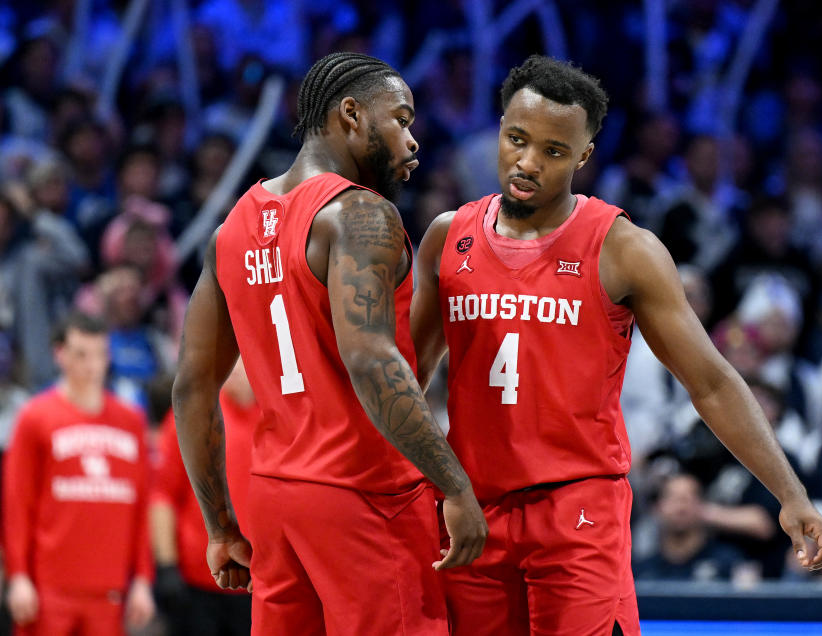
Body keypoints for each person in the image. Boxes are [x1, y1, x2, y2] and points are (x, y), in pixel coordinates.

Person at [411, 55, 822, 636]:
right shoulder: (446, 235)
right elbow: (401, 378)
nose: (528, 162)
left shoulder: (624, 248)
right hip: (471, 508)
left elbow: (709, 382)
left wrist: (790, 493)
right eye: (517, 139)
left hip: (576, 511)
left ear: (583, 157)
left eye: (554, 151)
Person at [171, 52, 486, 636]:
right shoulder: (361, 214)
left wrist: (220, 525)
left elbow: (191, 386)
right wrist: (454, 483)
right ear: (351, 114)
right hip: (363, 495)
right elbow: (370, 359)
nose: (413, 141)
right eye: (401, 119)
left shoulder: (230, 229)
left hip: (275, 500)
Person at [2, 312, 154, 636]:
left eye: (100, 354)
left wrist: (142, 578)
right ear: (60, 354)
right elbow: (17, 505)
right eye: (81, 354)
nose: (92, 365)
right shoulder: (34, 418)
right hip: (48, 590)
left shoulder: (132, 421)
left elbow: (142, 508)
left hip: (110, 590)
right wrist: (18, 576)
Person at [151, 359, 256, 635]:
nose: (232, 368)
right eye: (229, 358)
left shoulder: (279, 418)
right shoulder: (192, 414)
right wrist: (166, 566)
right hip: (198, 584)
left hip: (259, 586)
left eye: (241, 359)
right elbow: (162, 496)